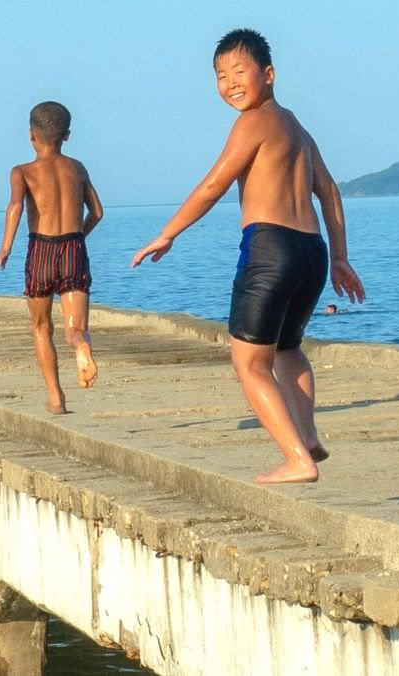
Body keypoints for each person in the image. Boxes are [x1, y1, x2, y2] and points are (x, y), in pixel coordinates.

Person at [132, 31, 365, 484]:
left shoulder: (252, 122)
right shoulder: (295, 125)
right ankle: (309, 435)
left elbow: (214, 185)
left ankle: (297, 459)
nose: (230, 83)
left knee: (249, 364)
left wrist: (168, 234)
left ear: (269, 74)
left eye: (240, 72)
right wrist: (339, 257)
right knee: (288, 349)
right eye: (221, 75)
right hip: (310, 251)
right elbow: (330, 194)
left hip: (270, 248)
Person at [0, 101, 106, 414]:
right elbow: (97, 212)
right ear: (66, 135)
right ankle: (82, 345)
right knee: (74, 328)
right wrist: (79, 237)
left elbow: (15, 207)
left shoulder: (22, 172)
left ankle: (56, 397)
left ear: (31, 135)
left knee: (41, 327)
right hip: (73, 247)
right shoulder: (77, 168)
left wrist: (5, 248)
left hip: (41, 248)